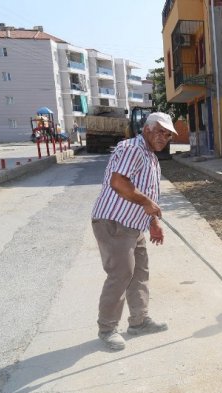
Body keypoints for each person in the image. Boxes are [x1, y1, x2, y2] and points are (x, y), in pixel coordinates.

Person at [90, 112, 176, 350]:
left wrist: (153, 222)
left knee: (139, 273)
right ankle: (107, 328)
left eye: (168, 134)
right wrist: (147, 204)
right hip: (114, 222)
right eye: (160, 131)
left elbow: (146, 191)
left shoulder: (152, 158)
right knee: (120, 275)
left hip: (134, 225)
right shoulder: (132, 148)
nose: (164, 137)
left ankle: (138, 321)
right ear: (147, 129)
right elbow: (119, 182)